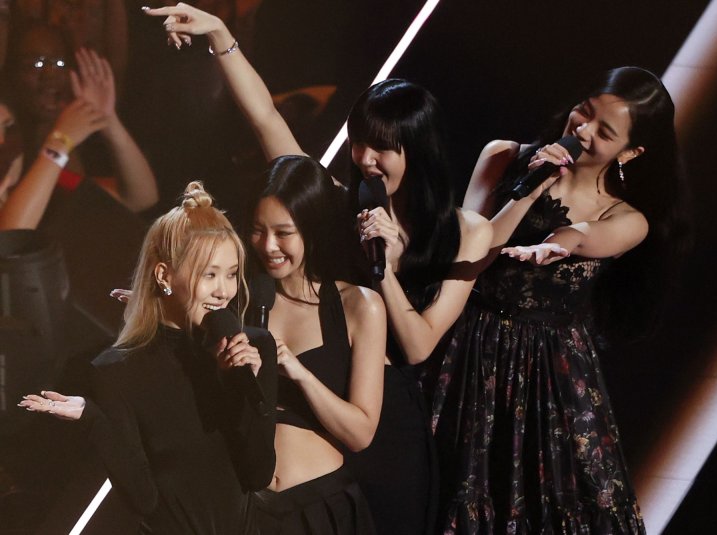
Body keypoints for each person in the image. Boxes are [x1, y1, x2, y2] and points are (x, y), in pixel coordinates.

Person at [143, 5, 493, 533]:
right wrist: (221, 35)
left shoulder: (463, 229)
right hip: (316, 414)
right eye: (359, 143)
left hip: (385, 417)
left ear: (417, 150)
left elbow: (420, 345)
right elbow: (267, 122)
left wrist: (385, 268)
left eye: (382, 148)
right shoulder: (338, 207)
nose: (364, 159)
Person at [431, 66, 689, 534]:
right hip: (464, 342)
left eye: (604, 132)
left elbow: (579, 236)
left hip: (546, 370)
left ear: (630, 152)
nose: (583, 130)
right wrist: (529, 190)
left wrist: (557, 244)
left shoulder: (627, 218)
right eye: (584, 113)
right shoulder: (503, 156)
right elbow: (471, 255)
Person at [19, 181, 277, 534]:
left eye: (231, 274)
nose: (223, 291)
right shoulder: (118, 371)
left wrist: (240, 389)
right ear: (164, 275)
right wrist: (94, 419)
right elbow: (144, 501)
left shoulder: (254, 349)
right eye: (209, 274)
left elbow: (259, 474)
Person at [243, 155, 385, 533]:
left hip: (322, 509)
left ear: (312, 228)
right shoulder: (239, 299)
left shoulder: (359, 306)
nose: (269, 245)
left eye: (283, 232)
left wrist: (297, 371)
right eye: (258, 230)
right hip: (247, 509)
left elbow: (361, 433)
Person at [1, 23, 156, 230]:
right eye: (35, 64)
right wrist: (59, 144)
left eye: (58, 62)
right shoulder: (18, 147)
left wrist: (107, 120)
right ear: (10, 72)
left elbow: (140, 198)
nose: (49, 74)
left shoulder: (63, 156)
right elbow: (11, 238)